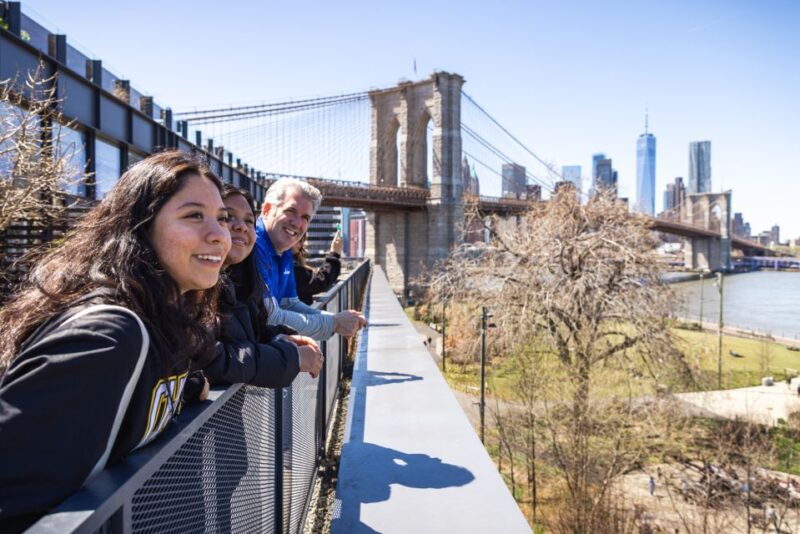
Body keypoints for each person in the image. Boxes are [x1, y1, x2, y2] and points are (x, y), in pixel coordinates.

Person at [0, 151, 231, 529]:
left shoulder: (164, 324)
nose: (219, 234)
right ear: (139, 227)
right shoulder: (106, 337)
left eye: (221, 218)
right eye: (194, 215)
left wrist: (183, 389)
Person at [203, 184, 324, 387]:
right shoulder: (192, 286)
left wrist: (282, 337)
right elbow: (211, 359)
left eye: (248, 221)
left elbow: (256, 322)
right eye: (226, 217)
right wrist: (292, 357)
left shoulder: (237, 276)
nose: (241, 226)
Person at [254, 178, 366, 340]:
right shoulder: (254, 245)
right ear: (267, 210)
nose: (297, 223)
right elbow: (270, 316)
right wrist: (334, 323)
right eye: (290, 211)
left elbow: (289, 303)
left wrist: (336, 319)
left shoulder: (283, 250)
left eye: (305, 218)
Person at [292, 231, 342, 305]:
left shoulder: (288, 263)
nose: (300, 244)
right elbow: (320, 282)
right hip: (297, 315)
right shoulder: (290, 267)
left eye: (301, 240)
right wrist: (334, 254)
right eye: (299, 240)